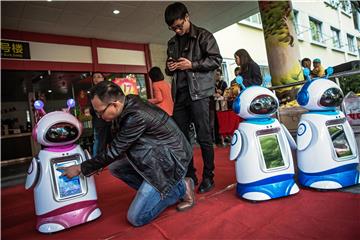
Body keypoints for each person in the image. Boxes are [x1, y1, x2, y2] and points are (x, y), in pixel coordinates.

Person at [59, 81, 195, 227]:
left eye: (100, 112)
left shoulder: (136, 116)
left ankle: (178, 188)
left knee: (136, 218)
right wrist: (95, 162)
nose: (99, 116)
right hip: (157, 154)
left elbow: (115, 150)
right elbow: (113, 148)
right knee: (115, 167)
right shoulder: (127, 103)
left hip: (169, 161)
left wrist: (80, 168)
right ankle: (164, 190)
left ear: (115, 104)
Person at [164, 2, 222, 193]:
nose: (177, 30)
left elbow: (216, 60)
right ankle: (190, 175)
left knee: (204, 137)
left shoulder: (204, 36)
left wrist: (192, 64)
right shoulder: (172, 43)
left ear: (187, 17)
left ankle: (208, 176)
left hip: (199, 94)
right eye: (173, 28)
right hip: (180, 96)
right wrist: (169, 67)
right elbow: (169, 68)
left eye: (179, 25)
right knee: (181, 140)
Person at [90, 72, 112, 156]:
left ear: (103, 78)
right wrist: (99, 113)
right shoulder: (94, 91)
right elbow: (93, 107)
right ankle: (96, 163)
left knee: (108, 141)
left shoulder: (106, 89)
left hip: (109, 119)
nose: (96, 79)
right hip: (99, 121)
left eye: (99, 77)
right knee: (99, 142)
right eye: (94, 77)